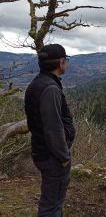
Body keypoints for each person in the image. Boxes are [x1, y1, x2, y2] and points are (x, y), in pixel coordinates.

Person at [25, 44, 75, 217]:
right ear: (61, 63)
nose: (66, 64)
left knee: (52, 202)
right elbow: (53, 129)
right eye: (66, 60)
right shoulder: (50, 89)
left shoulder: (39, 83)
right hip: (53, 157)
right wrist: (64, 158)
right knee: (51, 205)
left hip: (44, 152)